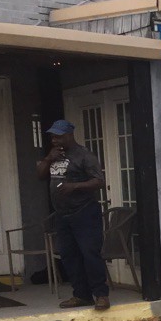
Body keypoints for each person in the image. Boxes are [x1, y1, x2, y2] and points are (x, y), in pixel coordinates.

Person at [35, 120, 109, 310]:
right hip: (62, 214)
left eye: (58, 136)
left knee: (90, 253)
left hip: (84, 212)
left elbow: (99, 181)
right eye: (52, 136)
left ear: (69, 135)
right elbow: (40, 175)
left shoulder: (84, 155)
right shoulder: (54, 155)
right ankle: (81, 295)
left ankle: (101, 295)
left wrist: (74, 186)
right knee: (69, 255)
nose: (54, 140)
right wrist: (48, 158)